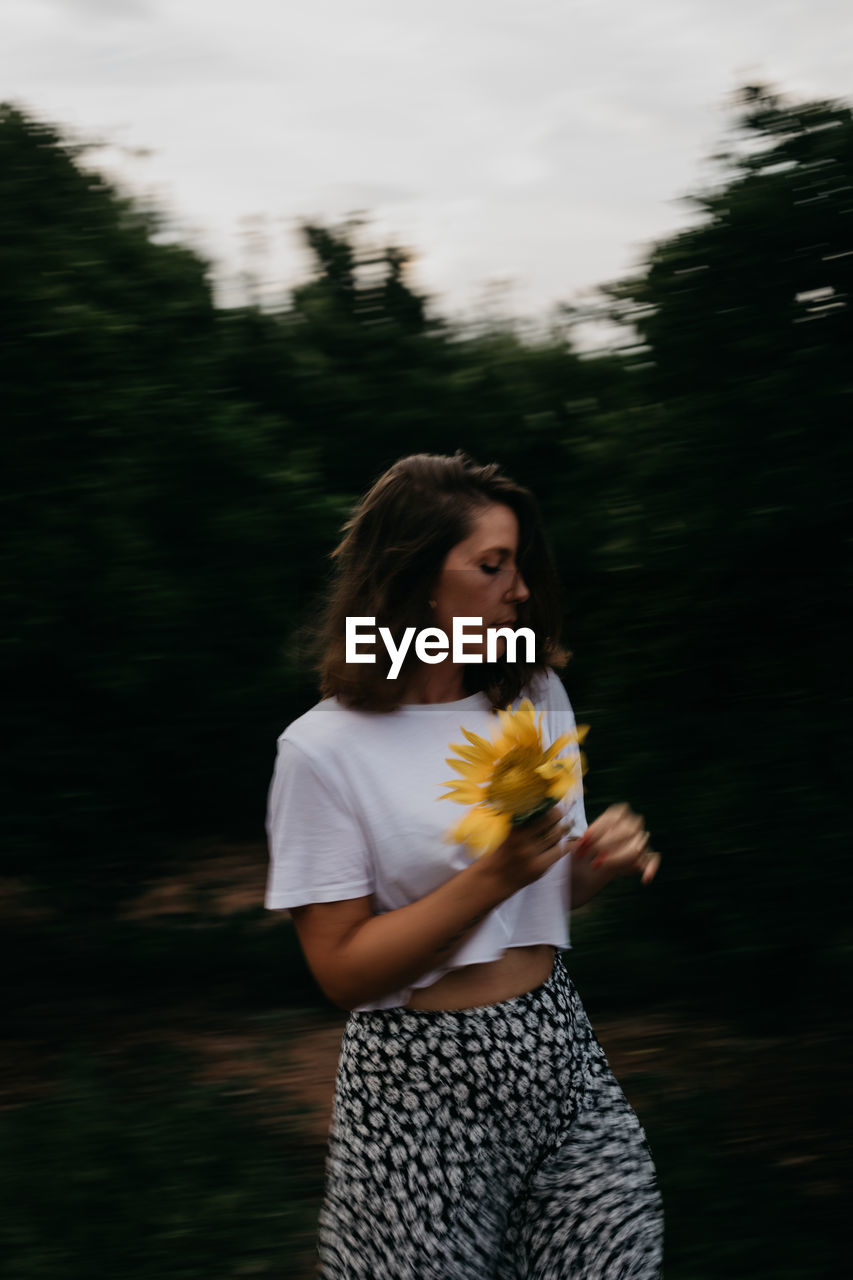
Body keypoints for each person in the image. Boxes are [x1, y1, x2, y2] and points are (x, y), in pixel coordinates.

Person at [265, 453, 663, 1278]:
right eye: (492, 565)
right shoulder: (320, 750)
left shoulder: (533, 696)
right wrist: (494, 876)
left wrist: (591, 865)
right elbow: (340, 970)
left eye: (518, 565)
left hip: (558, 1055)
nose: (518, 589)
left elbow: (545, 893)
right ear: (413, 579)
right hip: (415, 1090)